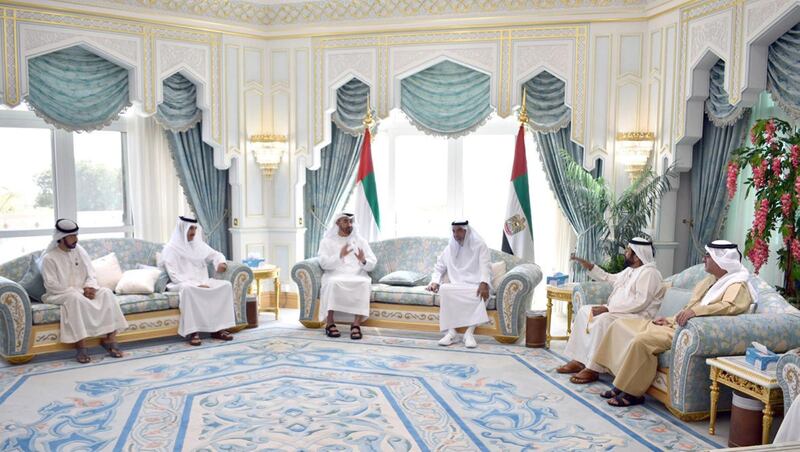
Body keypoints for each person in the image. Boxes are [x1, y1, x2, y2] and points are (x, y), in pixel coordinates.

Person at [594, 240, 757, 407]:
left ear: (722, 261)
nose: (703, 259)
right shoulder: (709, 281)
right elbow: (689, 308)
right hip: (677, 325)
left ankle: (632, 393)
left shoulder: (737, 285)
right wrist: (670, 319)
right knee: (619, 326)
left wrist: (693, 313)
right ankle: (618, 381)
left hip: (690, 332)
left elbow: (728, 308)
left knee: (641, 341)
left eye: (708, 256)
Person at [557, 238, 664, 384]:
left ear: (637, 256)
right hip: (620, 312)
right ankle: (579, 360)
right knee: (584, 311)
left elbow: (640, 302)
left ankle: (593, 368)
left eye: (628, 251)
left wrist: (608, 309)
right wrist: (590, 267)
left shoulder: (650, 273)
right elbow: (609, 278)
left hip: (637, 317)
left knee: (603, 320)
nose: (625, 253)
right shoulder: (630, 271)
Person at [39, 219, 129, 363]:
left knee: (106, 293)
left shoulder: (79, 250)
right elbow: (51, 285)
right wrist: (79, 291)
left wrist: (90, 286)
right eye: (72, 236)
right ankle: (81, 347)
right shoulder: (49, 258)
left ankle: (110, 339)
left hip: (82, 291)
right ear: (61, 238)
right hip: (59, 294)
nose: (76, 239)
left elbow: (91, 273)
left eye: (76, 235)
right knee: (75, 298)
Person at [162, 216, 236, 346]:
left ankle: (219, 329)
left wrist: (221, 263)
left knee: (226, 285)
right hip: (183, 283)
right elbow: (174, 275)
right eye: (190, 228)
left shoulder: (199, 245)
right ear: (182, 229)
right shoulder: (171, 249)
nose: (193, 232)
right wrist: (197, 284)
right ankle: (193, 332)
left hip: (203, 281)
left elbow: (216, 254)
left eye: (195, 228)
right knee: (189, 290)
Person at [426, 220, 491, 349]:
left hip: (475, 285)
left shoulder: (480, 245)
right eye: (453, 231)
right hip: (457, 285)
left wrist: (484, 283)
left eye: (459, 230)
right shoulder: (450, 247)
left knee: (480, 294)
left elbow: (486, 267)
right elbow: (439, 267)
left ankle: (469, 333)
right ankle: (451, 333)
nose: (456, 234)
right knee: (444, 289)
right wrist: (434, 281)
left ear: (467, 230)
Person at [318, 212, 377, 340]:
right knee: (333, 283)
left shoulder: (360, 241)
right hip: (335, 274)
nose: (349, 224)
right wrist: (340, 256)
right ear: (337, 223)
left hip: (357, 274)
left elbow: (372, 262)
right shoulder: (327, 242)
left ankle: (356, 325)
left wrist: (363, 260)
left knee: (363, 283)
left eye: (351, 221)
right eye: (345, 221)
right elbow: (323, 263)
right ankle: (330, 323)